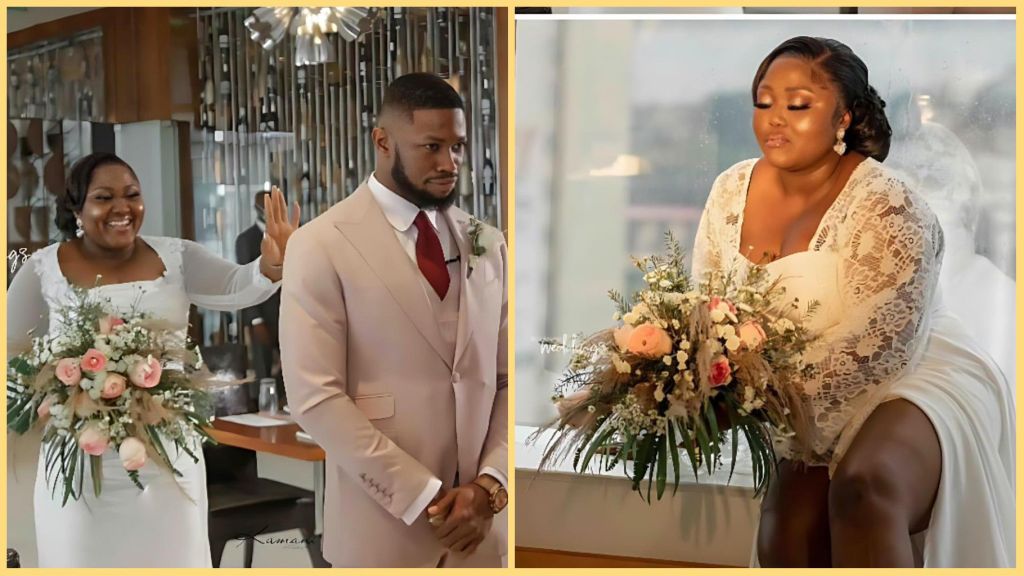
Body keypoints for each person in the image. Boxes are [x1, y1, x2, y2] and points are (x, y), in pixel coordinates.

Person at [690, 37, 1014, 567]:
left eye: (797, 105)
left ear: (843, 117)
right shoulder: (730, 190)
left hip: (913, 371)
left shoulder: (889, 203)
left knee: (865, 490)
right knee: (787, 535)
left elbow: (881, 349)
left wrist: (758, 397)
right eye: (764, 101)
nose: (775, 119)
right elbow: (710, 306)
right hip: (788, 387)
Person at [6, 152, 299, 567]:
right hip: (80, 463)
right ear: (77, 207)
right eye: (104, 197)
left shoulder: (175, 256)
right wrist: (53, 393)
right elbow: (9, 353)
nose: (122, 208)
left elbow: (240, 286)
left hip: (167, 460)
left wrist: (271, 263)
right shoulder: (42, 268)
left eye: (132, 195)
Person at [280, 72, 508, 567]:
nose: (450, 164)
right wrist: (425, 497)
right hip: (382, 535)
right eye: (432, 147)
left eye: (459, 147)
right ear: (382, 142)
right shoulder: (321, 244)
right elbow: (314, 396)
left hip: (484, 540)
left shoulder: (487, 242)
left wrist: (491, 486)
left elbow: (509, 379)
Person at [236, 190, 284, 396]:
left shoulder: (291, 235)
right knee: (263, 371)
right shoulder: (246, 240)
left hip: (289, 314)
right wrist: (255, 320)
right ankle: (263, 411)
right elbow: (246, 284)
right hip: (262, 316)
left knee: (290, 369)